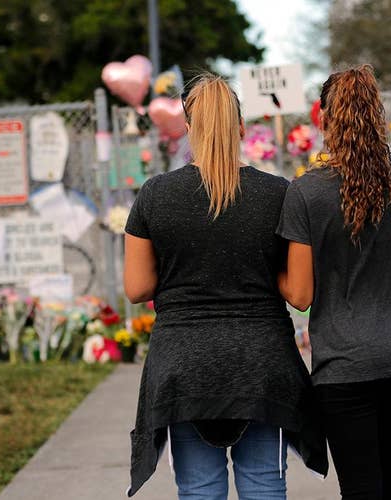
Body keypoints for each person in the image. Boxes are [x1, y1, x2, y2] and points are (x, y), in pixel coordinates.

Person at [123, 74, 327, 499]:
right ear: (239, 128)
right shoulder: (278, 193)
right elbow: (298, 292)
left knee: (199, 489)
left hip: (183, 367)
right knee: (265, 484)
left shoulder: (156, 195)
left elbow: (137, 287)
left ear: (189, 127)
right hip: (262, 363)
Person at [277, 65, 391, 500]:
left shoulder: (306, 193)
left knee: (361, 488)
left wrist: (271, 269)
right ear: (378, 116)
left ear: (323, 118)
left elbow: (301, 296)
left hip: (344, 367)